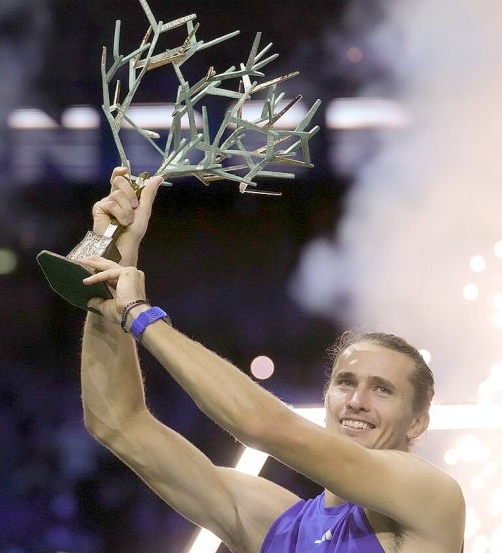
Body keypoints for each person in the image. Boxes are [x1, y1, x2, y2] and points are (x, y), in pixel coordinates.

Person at [77, 167, 465, 552]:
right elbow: (117, 422)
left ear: (418, 423)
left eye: (383, 389)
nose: (357, 400)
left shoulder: (430, 499)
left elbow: (261, 424)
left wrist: (142, 316)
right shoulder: (275, 523)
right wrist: (115, 250)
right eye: (346, 382)